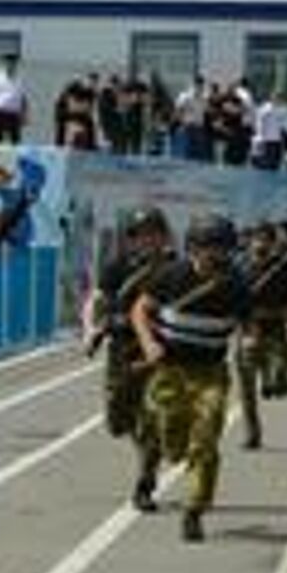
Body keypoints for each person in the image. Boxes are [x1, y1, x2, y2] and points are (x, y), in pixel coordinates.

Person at [129, 212, 251, 542]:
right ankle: (151, 473)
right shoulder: (172, 275)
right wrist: (149, 343)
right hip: (169, 371)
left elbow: (245, 324)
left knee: (206, 440)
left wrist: (247, 341)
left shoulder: (236, 285)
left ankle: (194, 510)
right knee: (168, 436)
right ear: (193, 248)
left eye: (224, 249)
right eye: (210, 247)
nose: (217, 255)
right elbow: (140, 309)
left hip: (210, 374)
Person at [87, 205, 174, 511]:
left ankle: (145, 482)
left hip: (158, 353)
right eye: (140, 234)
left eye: (154, 233)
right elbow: (97, 299)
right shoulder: (118, 267)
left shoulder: (176, 269)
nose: (147, 240)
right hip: (121, 350)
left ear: (164, 236)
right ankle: (145, 448)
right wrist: (91, 329)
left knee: (152, 419)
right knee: (118, 421)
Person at [233, 219, 287, 451]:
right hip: (247, 330)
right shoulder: (239, 267)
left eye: (266, 240)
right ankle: (253, 435)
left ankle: (272, 382)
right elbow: (229, 297)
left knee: (279, 381)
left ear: (272, 243)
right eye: (257, 239)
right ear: (250, 242)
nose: (260, 244)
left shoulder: (284, 268)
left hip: (275, 328)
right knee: (247, 388)